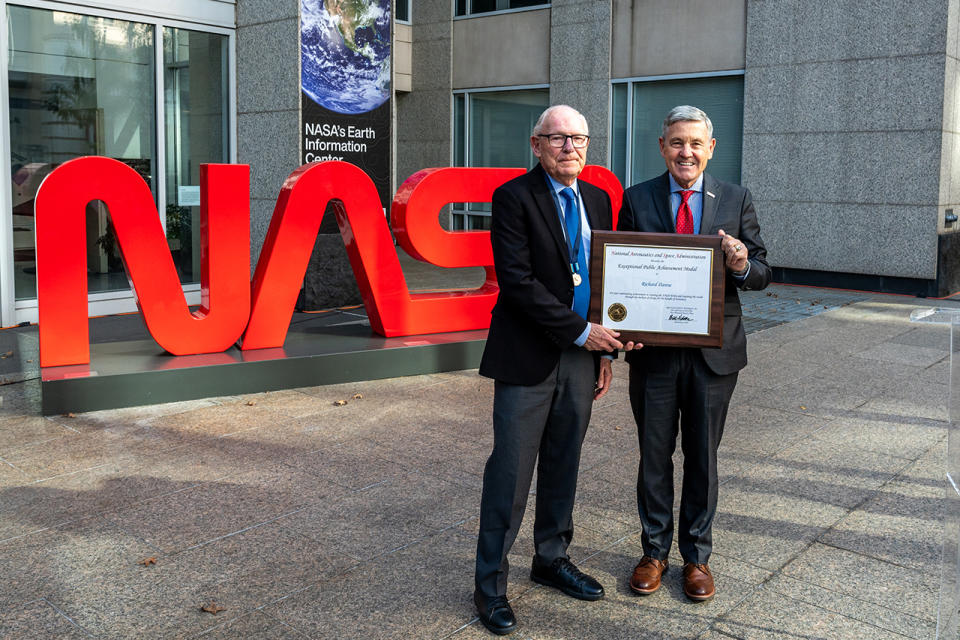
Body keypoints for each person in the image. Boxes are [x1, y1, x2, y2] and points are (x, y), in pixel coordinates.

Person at [474, 105, 631, 636]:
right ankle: (490, 585)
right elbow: (517, 284)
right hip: (528, 356)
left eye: (580, 138)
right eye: (559, 138)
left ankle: (550, 559)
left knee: (564, 463)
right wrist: (581, 331)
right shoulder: (514, 198)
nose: (571, 147)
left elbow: (605, 278)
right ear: (536, 145)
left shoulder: (597, 198)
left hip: (582, 358)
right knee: (511, 474)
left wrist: (603, 348)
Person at [618, 105, 770, 602]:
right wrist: (621, 328)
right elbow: (620, 268)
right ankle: (654, 551)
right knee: (654, 457)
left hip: (714, 356)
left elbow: (763, 272)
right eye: (677, 142)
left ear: (710, 149)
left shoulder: (736, 198)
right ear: (662, 146)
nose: (686, 152)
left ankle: (697, 557)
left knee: (703, 457)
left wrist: (743, 262)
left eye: (696, 143)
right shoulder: (636, 198)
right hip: (655, 354)